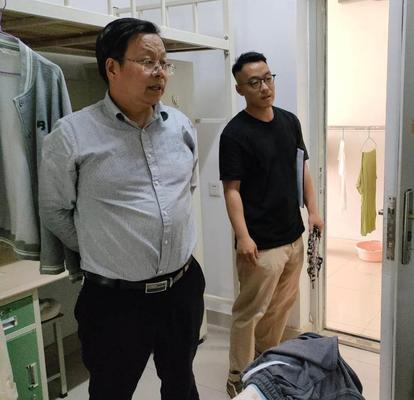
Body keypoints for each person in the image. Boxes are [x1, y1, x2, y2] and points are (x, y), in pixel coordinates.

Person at [39, 18, 205, 400]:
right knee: (111, 391)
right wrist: (105, 246)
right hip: (115, 302)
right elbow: (54, 211)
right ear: (112, 67)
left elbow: (187, 189)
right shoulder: (72, 135)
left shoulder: (180, 125)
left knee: (181, 383)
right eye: (147, 61)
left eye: (164, 63)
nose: (160, 72)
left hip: (182, 289)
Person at [219, 51, 324, 398]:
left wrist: (313, 211)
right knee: (249, 312)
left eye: (267, 78)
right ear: (240, 89)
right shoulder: (235, 134)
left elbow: (301, 168)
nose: (264, 87)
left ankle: (265, 364)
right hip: (260, 244)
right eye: (254, 82)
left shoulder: (289, 122)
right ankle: (237, 376)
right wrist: (243, 237)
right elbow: (232, 190)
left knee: (280, 307)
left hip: (293, 236)